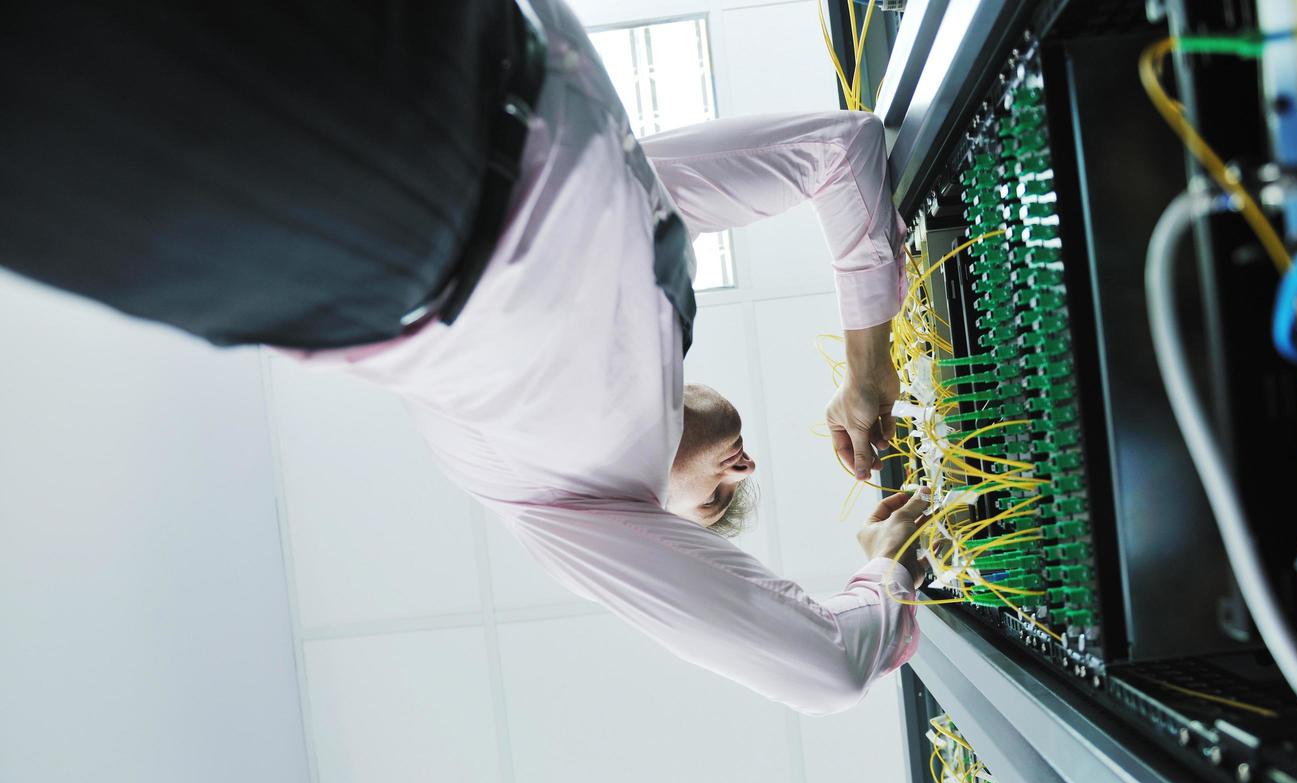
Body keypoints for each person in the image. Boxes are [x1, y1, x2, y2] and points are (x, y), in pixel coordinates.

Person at [1, 0, 930, 715]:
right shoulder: (654, 256)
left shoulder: (578, 509)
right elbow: (838, 152)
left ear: (670, 528)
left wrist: (882, 577)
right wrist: (864, 371)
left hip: (368, 225)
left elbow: (823, 669)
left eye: (718, 503)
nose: (742, 469)